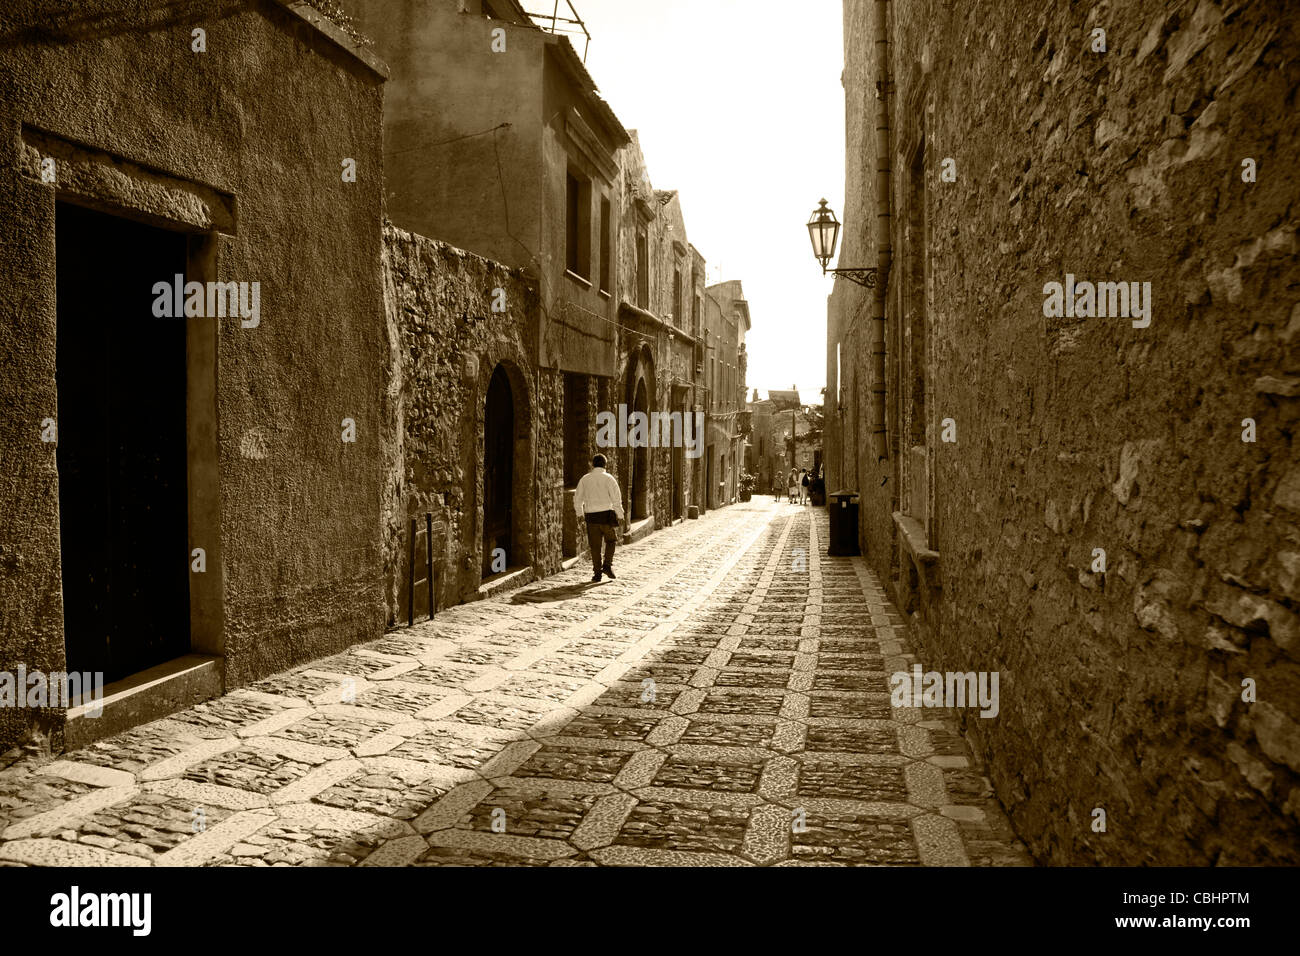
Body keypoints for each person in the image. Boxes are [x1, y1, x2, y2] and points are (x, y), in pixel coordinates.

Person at [574, 454, 625, 582]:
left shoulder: (585, 479)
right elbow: (616, 499)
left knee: (595, 546)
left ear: (592, 464)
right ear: (605, 464)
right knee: (611, 540)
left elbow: (577, 498)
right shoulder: (609, 479)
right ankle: (607, 565)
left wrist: (580, 514)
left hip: (591, 518)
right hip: (606, 517)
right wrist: (620, 515)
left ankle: (597, 574)